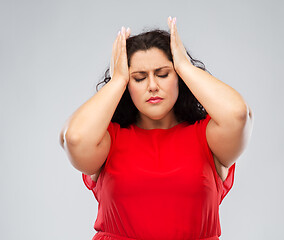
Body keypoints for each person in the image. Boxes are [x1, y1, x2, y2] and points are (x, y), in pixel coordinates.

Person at [60, 16, 254, 240]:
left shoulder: (207, 136)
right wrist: (117, 80)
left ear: (179, 78)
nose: (153, 86)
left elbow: (239, 115)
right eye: (139, 78)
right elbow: (74, 138)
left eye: (163, 74)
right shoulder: (108, 139)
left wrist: (184, 66)